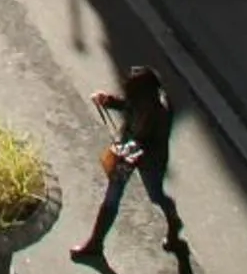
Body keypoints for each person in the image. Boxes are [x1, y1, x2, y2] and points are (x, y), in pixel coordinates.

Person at [71, 65, 183, 263]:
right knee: (112, 195)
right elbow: (128, 104)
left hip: (149, 160)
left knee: (155, 195)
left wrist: (133, 148)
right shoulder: (142, 98)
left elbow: (153, 143)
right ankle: (96, 243)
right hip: (128, 152)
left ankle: (173, 219)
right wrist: (109, 101)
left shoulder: (161, 112)